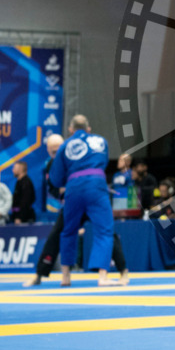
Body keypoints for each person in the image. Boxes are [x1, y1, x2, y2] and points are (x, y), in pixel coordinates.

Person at [25, 135, 129, 288]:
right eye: (53, 151)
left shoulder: (79, 154)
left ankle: (123, 271)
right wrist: (62, 194)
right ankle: (39, 273)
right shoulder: (51, 165)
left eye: (58, 150)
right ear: (47, 150)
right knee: (57, 233)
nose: (56, 153)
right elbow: (53, 187)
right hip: (73, 203)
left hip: (91, 198)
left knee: (107, 232)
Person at [48, 115, 120, 287]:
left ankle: (65, 276)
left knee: (68, 230)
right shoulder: (101, 141)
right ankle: (102, 276)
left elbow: (55, 178)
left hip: (73, 187)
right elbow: (103, 163)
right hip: (96, 184)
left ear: (70, 130)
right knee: (104, 230)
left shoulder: (65, 145)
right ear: (88, 129)